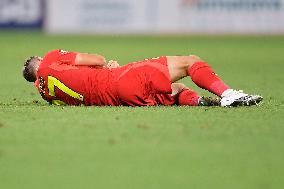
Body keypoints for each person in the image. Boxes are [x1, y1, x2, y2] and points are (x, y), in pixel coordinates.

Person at [22, 49, 262, 107]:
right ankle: (228, 95)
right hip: (120, 79)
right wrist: (106, 65)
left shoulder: (47, 95)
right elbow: (95, 59)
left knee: (174, 88)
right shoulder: (52, 58)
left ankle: (201, 102)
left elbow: (82, 84)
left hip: (120, 100)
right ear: (41, 62)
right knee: (190, 61)